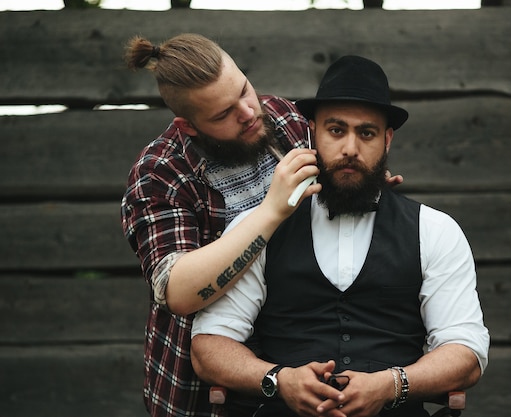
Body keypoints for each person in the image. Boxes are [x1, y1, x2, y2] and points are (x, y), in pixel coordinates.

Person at [190, 55, 490, 417]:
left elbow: (466, 353)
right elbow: (209, 348)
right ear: (313, 132)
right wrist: (279, 379)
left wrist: (391, 384)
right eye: (336, 131)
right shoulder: (260, 229)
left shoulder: (436, 231)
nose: (350, 148)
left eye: (366, 133)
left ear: (387, 140)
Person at [121, 33, 322, 417]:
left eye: (245, 90)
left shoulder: (284, 118)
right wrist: (271, 211)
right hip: (208, 391)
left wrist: (357, 185)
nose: (248, 112)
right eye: (222, 114)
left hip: (302, 360)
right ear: (188, 125)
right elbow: (176, 289)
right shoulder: (159, 172)